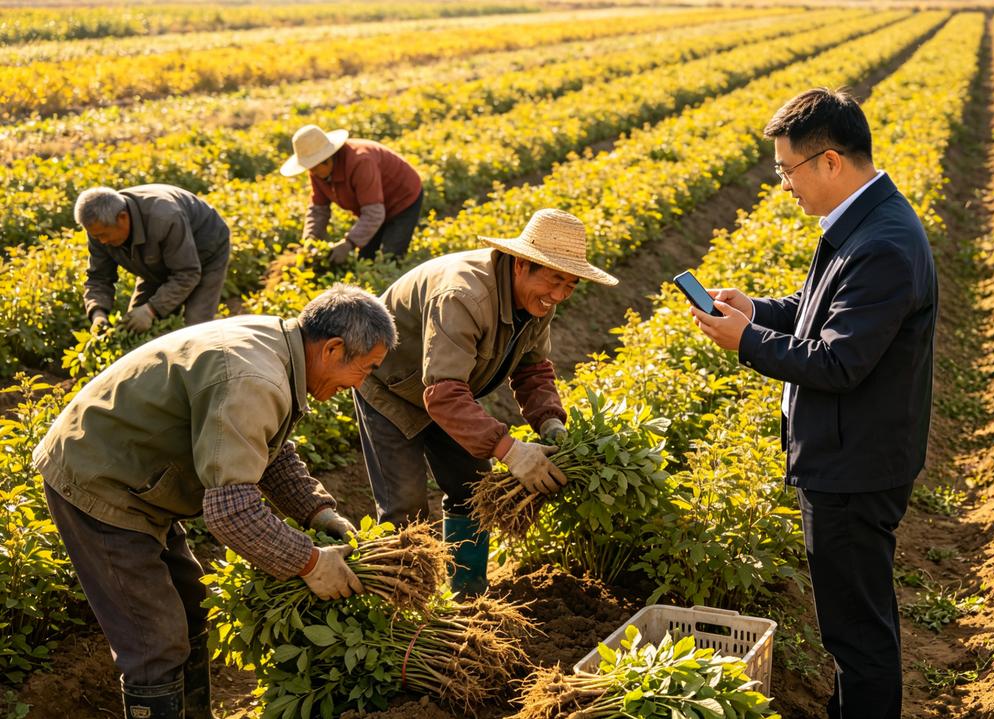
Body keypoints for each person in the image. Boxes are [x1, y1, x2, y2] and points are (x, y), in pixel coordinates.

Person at [34, 285, 397, 719]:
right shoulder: (254, 378)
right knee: (155, 639)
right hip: (99, 480)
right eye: (367, 368)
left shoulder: (282, 349)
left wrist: (319, 512)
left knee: (191, 607)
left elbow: (269, 450)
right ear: (334, 348)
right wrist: (311, 563)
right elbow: (232, 513)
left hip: (142, 478)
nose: (364, 383)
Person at [689, 87, 937, 719]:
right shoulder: (863, 223)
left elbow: (838, 361)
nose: (784, 185)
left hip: (855, 469)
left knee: (858, 636)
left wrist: (747, 341)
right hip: (848, 457)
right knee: (852, 626)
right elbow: (823, 315)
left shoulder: (881, 242)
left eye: (787, 170)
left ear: (829, 161)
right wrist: (759, 311)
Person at [354, 208, 618, 595]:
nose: (560, 294)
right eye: (555, 279)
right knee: (406, 509)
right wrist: (510, 451)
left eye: (572, 284)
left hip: (452, 391)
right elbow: (441, 393)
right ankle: (405, 611)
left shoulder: (538, 302)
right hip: (391, 387)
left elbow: (532, 368)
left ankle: (468, 597)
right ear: (522, 264)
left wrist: (550, 422)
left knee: (472, 488)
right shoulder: (463, 295)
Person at [76, 184, 231, 334]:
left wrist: (151, 310)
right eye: (96, 236)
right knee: (133, 327)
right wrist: (98, 313)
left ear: (122, 218)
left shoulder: (164, 217)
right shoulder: (99, 227)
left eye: (104, 235)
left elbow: (187, 272)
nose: (102, 241)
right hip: (156, 258)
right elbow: (98, 277)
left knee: (195, 326)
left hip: (206, 248)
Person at [280, 124, 424, 264]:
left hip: (403, 199)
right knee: (365, 259)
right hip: (374, 206)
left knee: (389, 258)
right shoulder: (317, 172)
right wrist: (310, 237)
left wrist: (348, 243)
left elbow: (374, 213)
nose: (312, 173)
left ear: (327, 160)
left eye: (314, 167)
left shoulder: (360, 162)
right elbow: (318, 209)